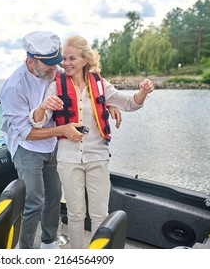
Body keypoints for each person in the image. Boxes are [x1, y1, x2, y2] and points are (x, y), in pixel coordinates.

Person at [31, 35, 154, 248]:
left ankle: (100, 256)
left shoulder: (100, 84)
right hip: (68, 158)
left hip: (97, 156)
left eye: (72, 58)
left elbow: (129, 103)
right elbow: (38, 122)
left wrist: (143, 92)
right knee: (75, 213)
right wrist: (42, 107)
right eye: (64, 59)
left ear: (85, 60)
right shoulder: (56, 86)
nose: (66, 63)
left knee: (99, 214)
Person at [0, 31, 83, 249]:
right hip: (26, 146)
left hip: (52, 144)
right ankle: (26, 249)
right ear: (30, 60)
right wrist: (63, 130)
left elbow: (87, 88)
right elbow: (27, 133)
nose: (55, 69)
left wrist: (110, 104)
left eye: (56, 63)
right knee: (33, 201)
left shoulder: (54, 74)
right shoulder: (13, 87)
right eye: (48, 65)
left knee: (55, 195)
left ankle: (48, 241)